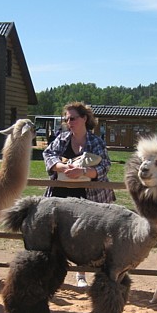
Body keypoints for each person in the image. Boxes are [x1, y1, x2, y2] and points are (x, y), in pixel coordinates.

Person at [42, 102, 115, 288]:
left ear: (84, 119)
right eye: (66, 119)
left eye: (72, 118)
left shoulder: (96, 142)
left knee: (84, 233)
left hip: (88, 195)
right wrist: (62, 167)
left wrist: (82, 172)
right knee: (57, 233)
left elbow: (104, 166)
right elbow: (48, 155)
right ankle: (53, 274)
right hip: (60, 193)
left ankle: (81, 274)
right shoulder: (62, 139)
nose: (69, 122)